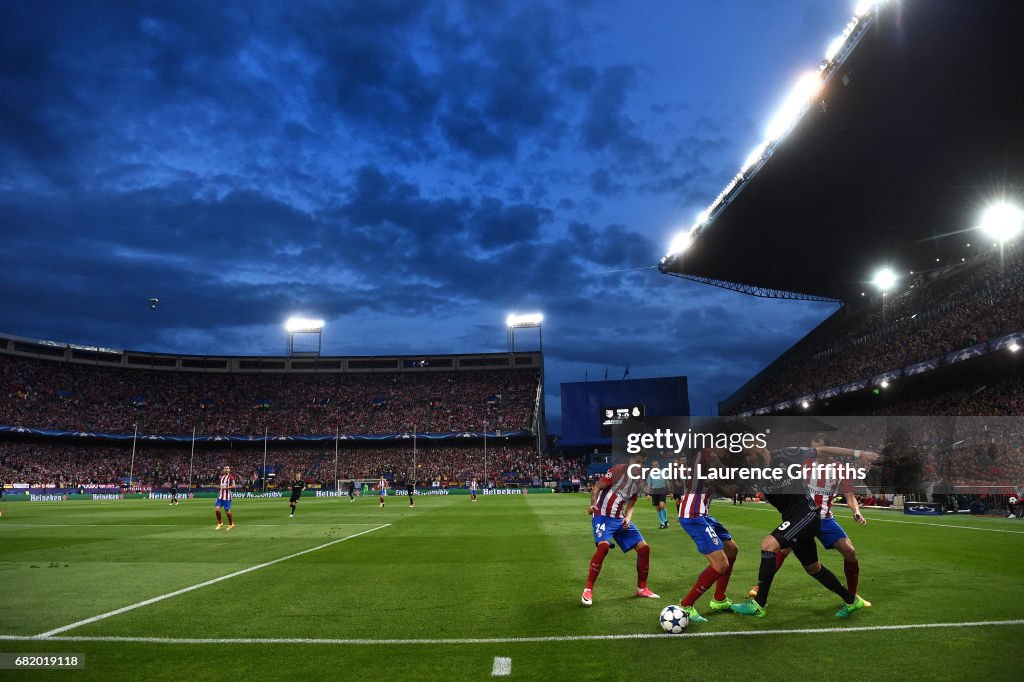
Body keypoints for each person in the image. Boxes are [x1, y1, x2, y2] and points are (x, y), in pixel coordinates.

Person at [731, 443, 879, 619]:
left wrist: (859, 452)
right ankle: (852, 600)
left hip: (807, 515)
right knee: (813, 568)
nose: (750, 460)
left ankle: (758, 604)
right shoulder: (753, 472)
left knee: (768, 545)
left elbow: (823, 450)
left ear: (761, 449)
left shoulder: (788, 454)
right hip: (793, 519)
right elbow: (730, 489)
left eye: (751, 456)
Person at [581, 452, 659, 606]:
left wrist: (628, 518)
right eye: (637, 462)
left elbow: (631, 505)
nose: (640, 466)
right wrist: (593, 504)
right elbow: (597, 487)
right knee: (603, 547)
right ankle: (588, 589)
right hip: (602, 516)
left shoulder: (638, 481)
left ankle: (641, 588)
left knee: (644, 549)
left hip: (618, 519)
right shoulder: (617, 471)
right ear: (630, 460)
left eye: (642, 463)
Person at [672, 448, 740, 623]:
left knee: (732, 550)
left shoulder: (714, 466)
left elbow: (729, 492)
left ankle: (719, 599)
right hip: (693, 514)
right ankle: (686, 604)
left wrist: (728, 484)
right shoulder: (707, 453)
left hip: (704, 514)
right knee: (720, 564)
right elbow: (721, 468)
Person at [649, 451, 671, 529]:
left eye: (656, 465)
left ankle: (665, 521)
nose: (655, 466)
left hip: (662, 490)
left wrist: (670, 491)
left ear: (658, 465)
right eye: (653, 465)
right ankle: (662, 523)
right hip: (654, 491)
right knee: (658, 508)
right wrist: (649, 494)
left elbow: (667, 481)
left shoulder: (663, 472)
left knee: (662, 506)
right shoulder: (650, 474)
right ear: (652, 467)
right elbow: (649, 484)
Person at [214, 466, 237, 530]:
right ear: (223, 470)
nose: (226, 469)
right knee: (217, 509)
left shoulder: (231, 477)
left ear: (229, 470)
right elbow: (221, 486)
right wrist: (219, 487)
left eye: (227, 468)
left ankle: (231, 524)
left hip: (227, 497)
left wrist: (226, 488)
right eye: (225, 468)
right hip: (220, 496)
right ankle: (220, 523)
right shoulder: (222, 477)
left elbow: (234, 486)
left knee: (227, 511)